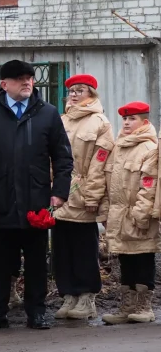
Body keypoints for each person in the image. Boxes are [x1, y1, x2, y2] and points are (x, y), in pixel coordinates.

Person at [0, 60, 73, 331]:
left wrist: (59, 191)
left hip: (35, 199)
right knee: (0, 260)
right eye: (19, 78)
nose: (27, 82)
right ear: (4, 84)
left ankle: (36, 311)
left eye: (29, 77)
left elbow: (63, 157)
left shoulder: (47, 113)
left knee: (37, 260)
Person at [52, 74, 113, 321]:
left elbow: (101, 163)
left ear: (92, 94)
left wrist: (93, 195)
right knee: (61, 248)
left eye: (80, 90)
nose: (74, 95)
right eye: (72, 91)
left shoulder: (100, 122)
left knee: (84, 248)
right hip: (60, 192)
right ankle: (68, 294)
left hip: (83, 191)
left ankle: (87, 297)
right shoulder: (61, 120)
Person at [101, 102, 158, 324]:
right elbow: (109, 182)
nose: (126, 122)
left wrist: (140, 215)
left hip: (138, 214)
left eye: (132, 119)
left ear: (144, 122)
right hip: (119, 214)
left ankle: (144, 306)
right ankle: (127, 306)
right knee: (125, 259)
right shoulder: (119, 147)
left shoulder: (149, 148)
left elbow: (149, 185)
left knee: (143, 257)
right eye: (125, 119)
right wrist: (107, 212)